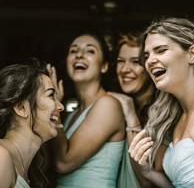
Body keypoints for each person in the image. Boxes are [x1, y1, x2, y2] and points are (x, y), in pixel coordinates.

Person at [129, 17, 194, 188]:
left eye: (160, 50)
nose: (150, 61)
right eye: (147, 56)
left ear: (191, 54)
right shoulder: (177, 116)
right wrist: (147, 171)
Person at [50, 33, 126, 188]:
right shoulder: (71, 114)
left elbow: (63, 163)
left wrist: (53, 105)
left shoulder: (108, 105)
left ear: (104, 66)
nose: (79, 55)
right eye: (73, 51)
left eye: (90, 51)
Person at [110, 32, 172, 188]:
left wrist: (131, 116)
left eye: (136, 62)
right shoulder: (114, 106)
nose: (125, 69)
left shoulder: (165, 113)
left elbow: (147, 180)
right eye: (120, 61)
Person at [0, 59, 64, 188]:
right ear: (21, 108)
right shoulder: (2, 158)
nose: (61, 106)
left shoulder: (30, 169)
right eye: (51, 95)